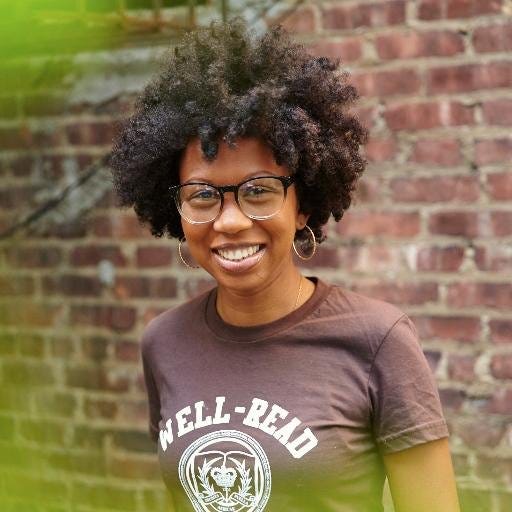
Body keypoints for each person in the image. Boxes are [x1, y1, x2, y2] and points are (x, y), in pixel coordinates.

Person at [109, 16, 460, 512]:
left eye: (259, 191)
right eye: (203, 195)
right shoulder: (164, 342)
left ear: (303, 207)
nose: (230, 221)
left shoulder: (378, 340)